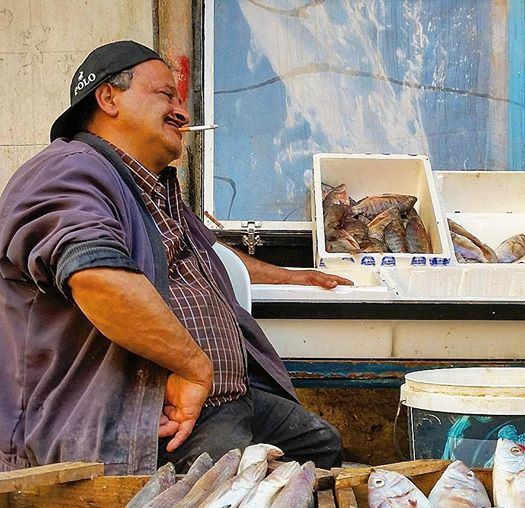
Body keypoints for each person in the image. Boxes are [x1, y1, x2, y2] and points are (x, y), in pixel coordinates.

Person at [0, 41, 351, 475]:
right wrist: (194, 367)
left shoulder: (153, 188)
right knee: (234, 504)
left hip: (226, 397)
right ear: (108, 98)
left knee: (319, 446)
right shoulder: (68, 172)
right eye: (166, 95)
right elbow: (95, 276)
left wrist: (292, 277)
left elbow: (216, 254)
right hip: (141, 415)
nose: (181, 112)